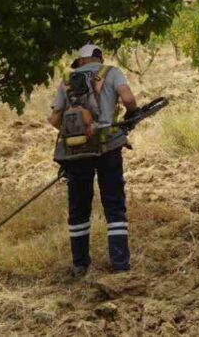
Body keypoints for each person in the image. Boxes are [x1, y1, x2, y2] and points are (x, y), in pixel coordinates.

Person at [49, 43, 138, 276]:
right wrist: (131, 115)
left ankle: (80, 265)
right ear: (99, 57)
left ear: (79, 61)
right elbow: (128, 99)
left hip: (76, 151)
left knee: (78, 208)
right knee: (114, 205)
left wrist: (77, 130)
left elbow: (54, 119)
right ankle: (120, 264)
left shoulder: (67, 79)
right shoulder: (111, 72)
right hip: (108, 146)